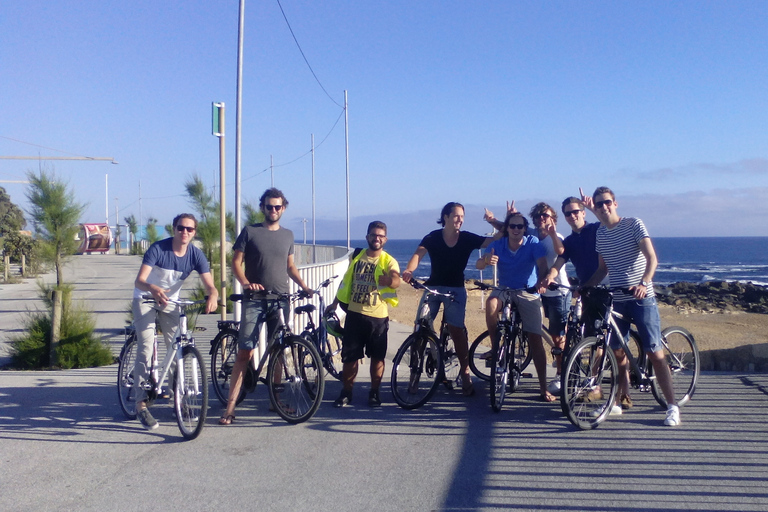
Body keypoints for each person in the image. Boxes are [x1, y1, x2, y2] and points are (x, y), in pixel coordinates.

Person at [583, 186, 680, 426]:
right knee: (617, 352)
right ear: (594, 208)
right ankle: (617, 402)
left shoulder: (634, 224)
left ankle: (672, 406)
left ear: (615, 203)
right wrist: (586, 286)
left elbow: (652, 258)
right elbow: (603, 269)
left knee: (655, 353)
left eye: (607, 202)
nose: (603, 207)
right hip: (617, 300)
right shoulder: (601, 234)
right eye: (598, 204)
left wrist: (643, 283)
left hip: (641, 297)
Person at [219, 188, 312, 425]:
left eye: (277, 207)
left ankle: (275, 398)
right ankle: (230, 407)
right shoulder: (250, 231)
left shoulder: (288, 235)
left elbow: (290, 266)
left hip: (281, 299)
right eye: (269, 206)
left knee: (279, 350)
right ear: (263, 207)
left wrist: (303, 286)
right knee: (245, 351)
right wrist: (246, 283)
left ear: (283, 208)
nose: (273, 210)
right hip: (255, 300)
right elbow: (236, 262)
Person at [132, 213, 219, 430]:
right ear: (174, 228)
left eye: (190, 229)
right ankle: (140, 404)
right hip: (145, 297)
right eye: (181, 228)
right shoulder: (158, 249)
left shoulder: (196, 255)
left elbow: (210, 284)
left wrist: (214, 294)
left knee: (176, 345)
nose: (185, 232)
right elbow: (140, 281)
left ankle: (176, 397)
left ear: (194, 232)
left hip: (170, 301)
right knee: (145, 346)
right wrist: (153, 288)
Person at [402, 202, 495, 396]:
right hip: (433, 287)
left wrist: (496, 222)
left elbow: (496, 239)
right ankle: (415, 374)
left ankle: (465, 372)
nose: (460, 220)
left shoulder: (467, 238)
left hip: (455, 290)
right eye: (456, 216)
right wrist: (409, 270)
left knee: (456, 330)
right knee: (420, 327)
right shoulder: (433, 237)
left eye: (462, 216)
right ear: (445, 217)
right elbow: (419, 254)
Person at [476, 211, 555, 401]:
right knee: (491, 303)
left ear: (525, 229)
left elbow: (542, 264)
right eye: (512, 226)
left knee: (535, 338)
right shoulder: (498, 244)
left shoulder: (532, 244)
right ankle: (496, 347)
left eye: (520, 226)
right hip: (504, 288)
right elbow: (479, 264)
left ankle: (543, 387)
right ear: (507, 229)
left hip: (527, 291)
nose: (516, 229)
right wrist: (486, 260)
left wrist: (542, 282)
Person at [326, 221, 400, 407]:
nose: (377, 238)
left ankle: (374, 393)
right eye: (374, 235)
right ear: (367, 237)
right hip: (354, 314)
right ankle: (346, 393)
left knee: (377, 358)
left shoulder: (388, 260)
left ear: (385, 239)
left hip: (378, 318)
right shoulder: (357, 256)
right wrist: (334, 304)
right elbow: (346, 282)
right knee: (350, 357)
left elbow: (397, 280)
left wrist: (390, 281)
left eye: (381, 236)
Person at [528, 202, 571, 396]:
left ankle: (562, 375)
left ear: (553, 217)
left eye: (545, 215)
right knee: (549, 332)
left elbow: (562, 251)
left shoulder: (556, 236)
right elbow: (513, 228)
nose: (541, 219)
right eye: (538, 216)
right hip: (542, 291)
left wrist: (554, 234)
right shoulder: (536, 236)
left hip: (558, 292)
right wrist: (494, 220)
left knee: (558, 336)